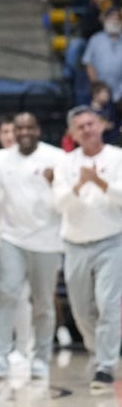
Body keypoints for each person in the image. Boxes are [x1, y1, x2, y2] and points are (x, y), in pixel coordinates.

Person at [0, 112, 63, 381]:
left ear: (38, 130)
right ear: (13, 132)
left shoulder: (56, 157)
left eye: (30, 127)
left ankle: (40, 357)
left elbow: (66, 203)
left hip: (48, 241)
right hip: (12, 239)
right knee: (5, 295)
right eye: (19, 128)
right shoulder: (2, 160)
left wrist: (55, 183)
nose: (24, 132)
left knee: (43, 303)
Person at [52, 106, 122, 393]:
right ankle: (97, 349)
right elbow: (59, 204)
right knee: (82, 310)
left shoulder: (117, 157)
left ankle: (105, 365)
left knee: (109, 303)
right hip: (75, 244)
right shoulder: (65, 163)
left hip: (112, 240)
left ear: (102, 125)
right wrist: (81, 183)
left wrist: (99, 181)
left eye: (91, 124)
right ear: (72, 133)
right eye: (80, 126)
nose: (87, 130)